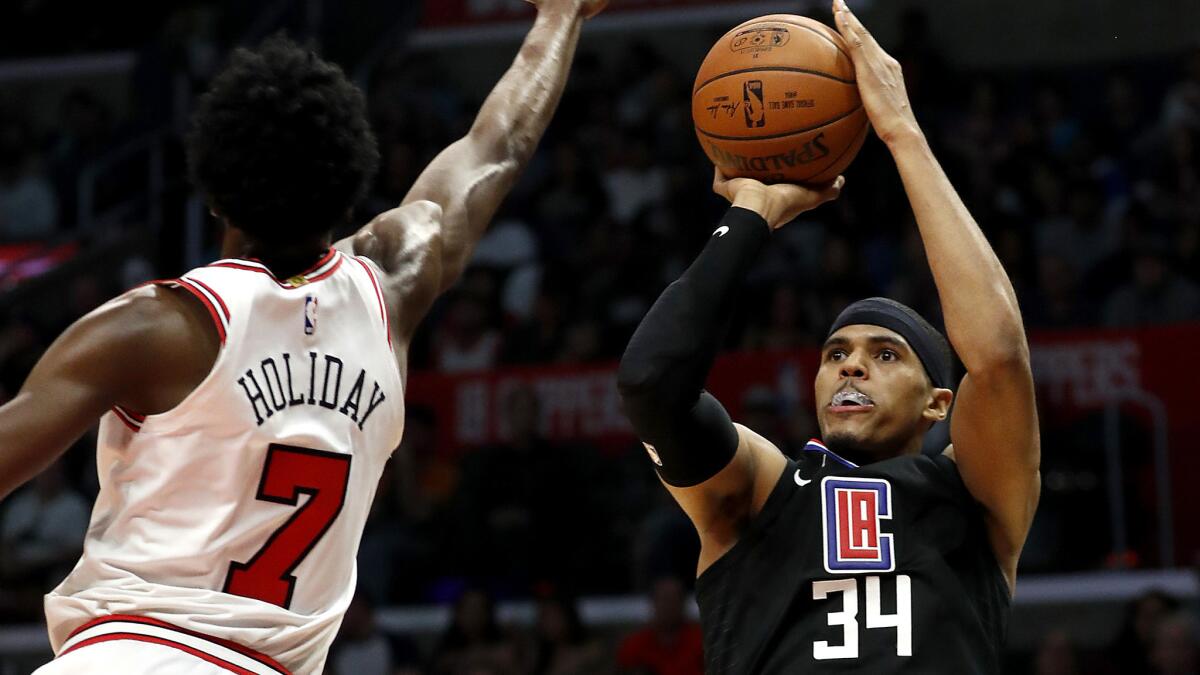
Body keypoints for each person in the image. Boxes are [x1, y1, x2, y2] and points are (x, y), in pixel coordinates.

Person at [0, 0, 606, 671]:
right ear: (349, 182)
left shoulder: (156, 327)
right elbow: (495, 147)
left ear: (214, 192)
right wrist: (562, 16)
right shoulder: (393, 289)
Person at [616, 1, 1039, 673]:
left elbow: (997, 356)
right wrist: (751, 212)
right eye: (836, 354)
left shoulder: (975, 494)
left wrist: (901, 132)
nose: (851, 367)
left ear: (938, 403)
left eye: (884, 354)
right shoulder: (760, 494)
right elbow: (650, 383)